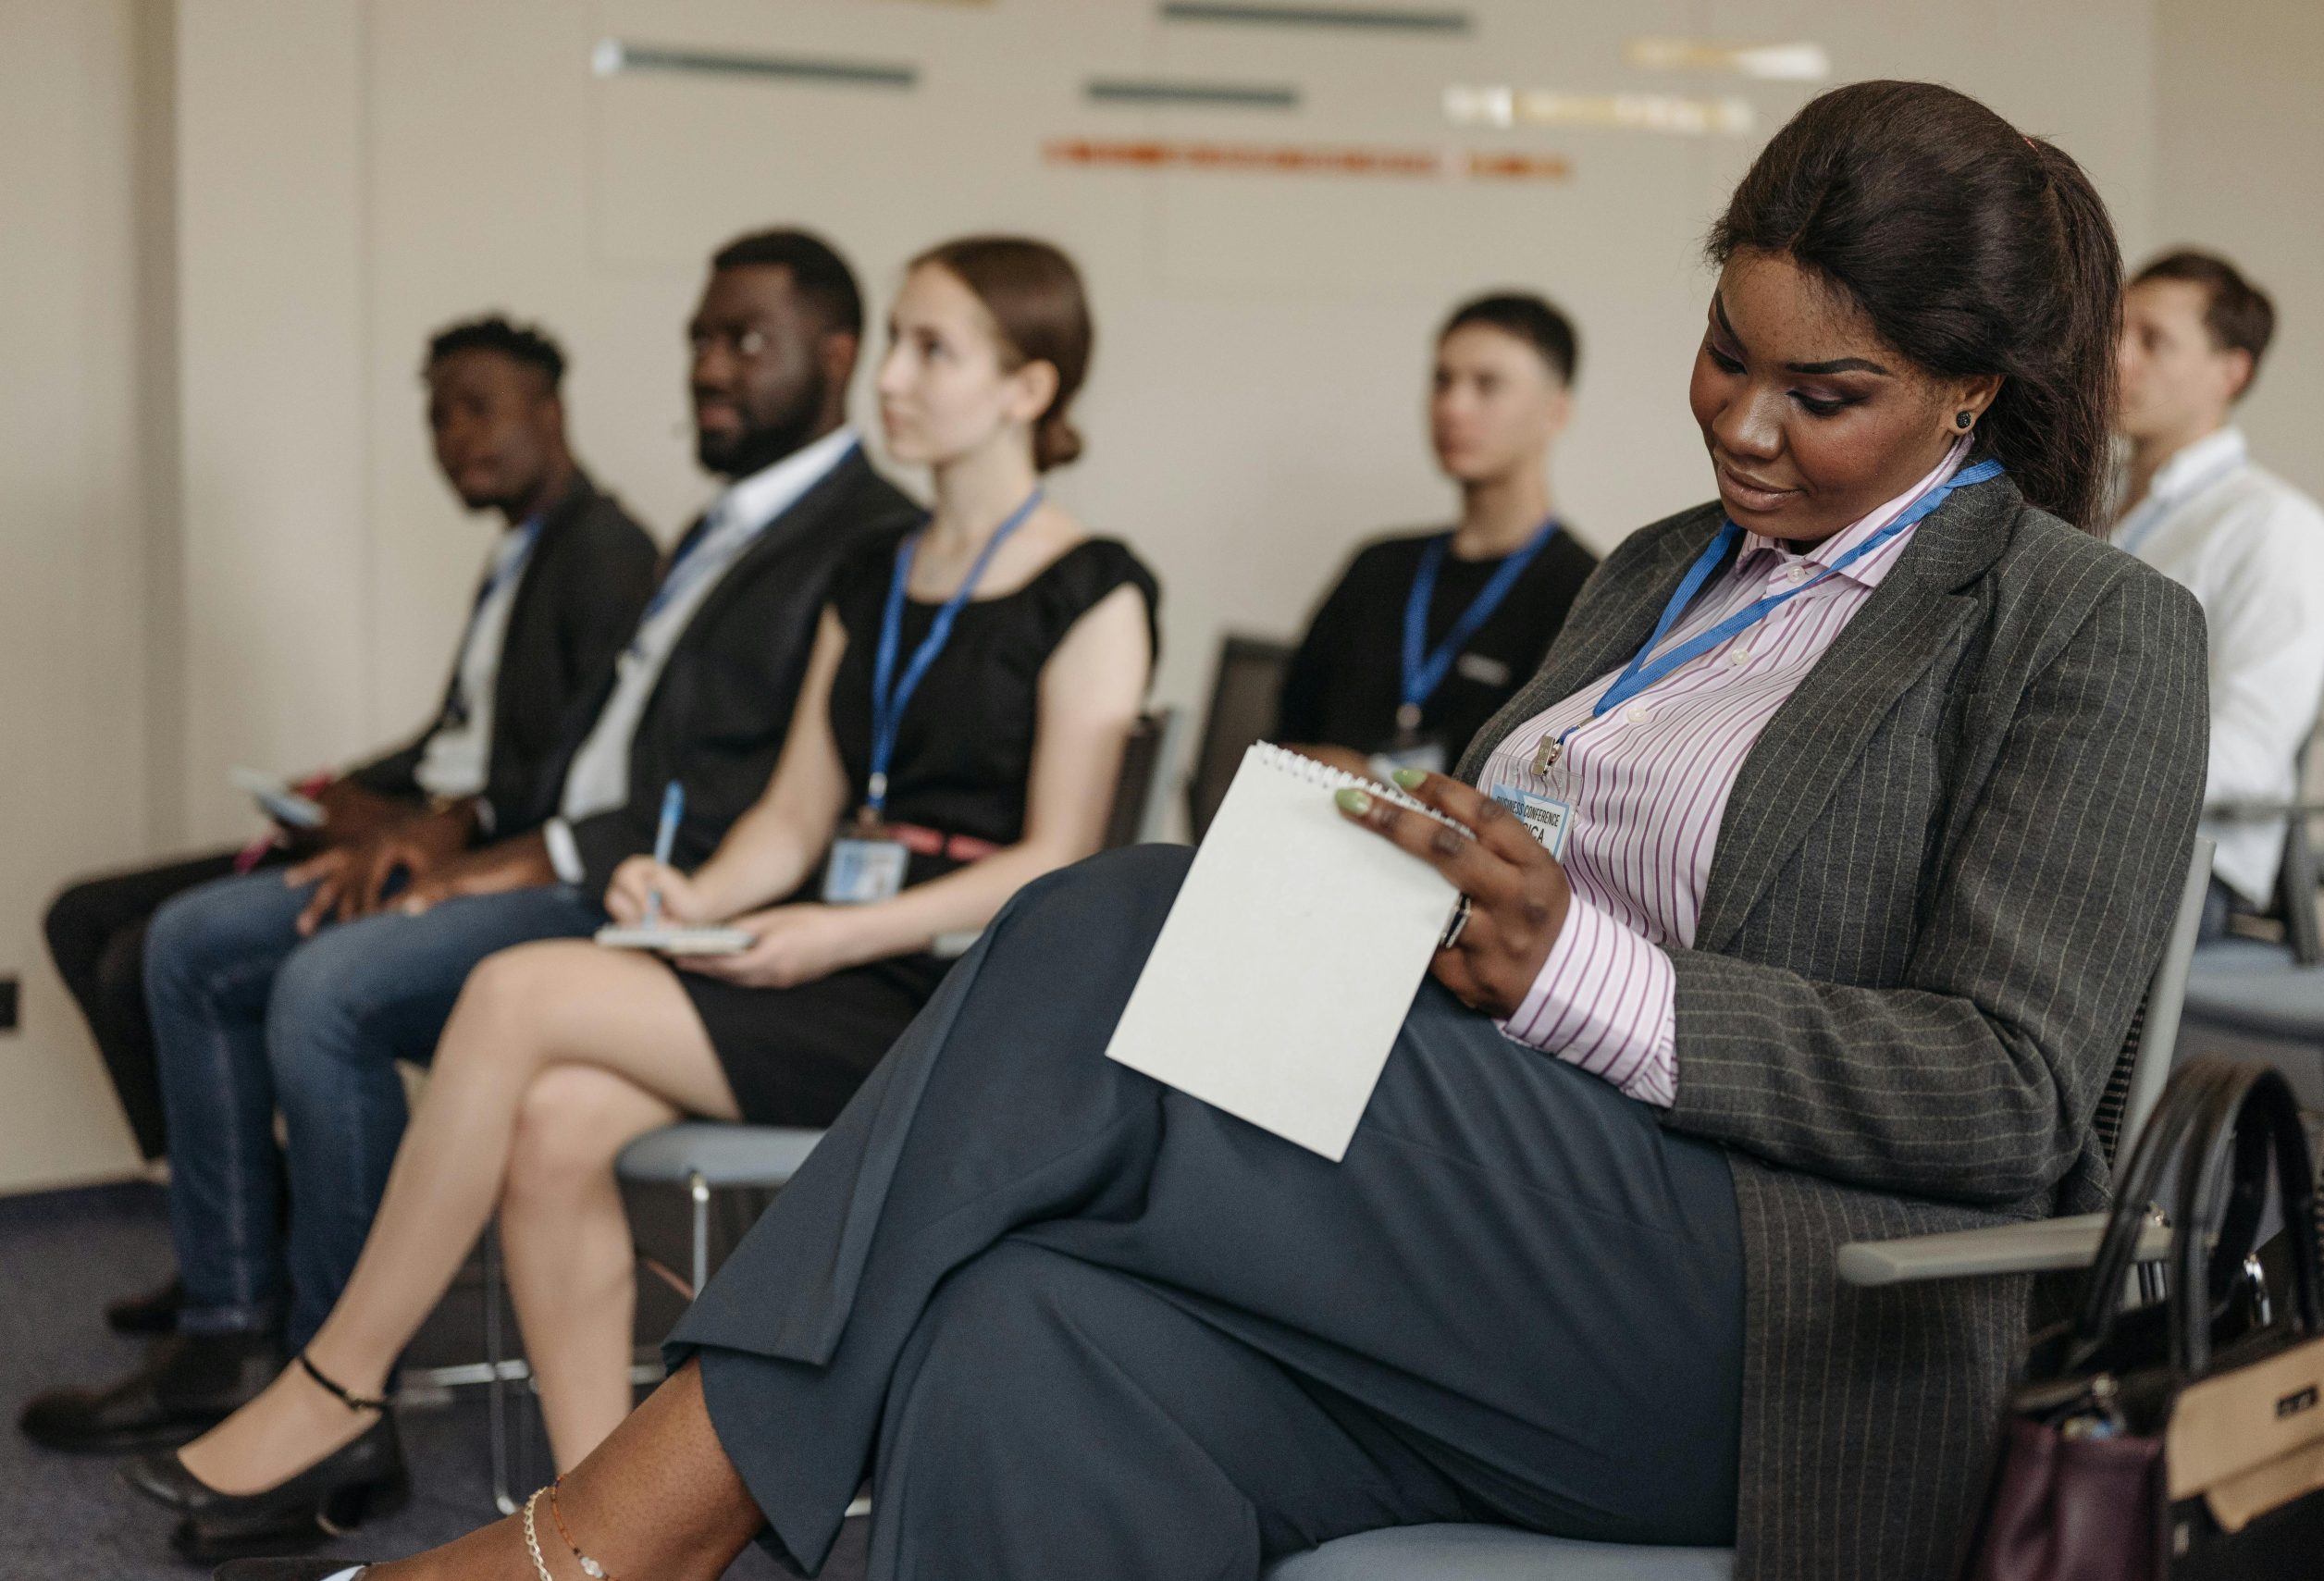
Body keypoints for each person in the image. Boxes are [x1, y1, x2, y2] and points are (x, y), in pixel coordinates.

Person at [215, 80, 2211, 1581]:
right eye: (1724, 353)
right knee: (1024, 1337)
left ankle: (615, 1529)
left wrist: (1580, 963)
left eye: (1827, 390)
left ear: (1968, 392)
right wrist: (1428, 855)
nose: (1746, 425)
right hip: (1480, 1219)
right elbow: (1534, 867)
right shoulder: (1665, 564)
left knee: (1105, 926)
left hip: (1761, 1308)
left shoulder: (2086, 627)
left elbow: (2014, 1096)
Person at [133, 235, 1159, 1564]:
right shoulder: (874, 576)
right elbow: (793, 818)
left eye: (931, 350)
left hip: (956, 993)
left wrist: (834, 933)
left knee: (508, 991)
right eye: (895, 339)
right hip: (823, 957)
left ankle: (338, 1386)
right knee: (555, 1122)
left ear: (1029, 386)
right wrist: (690, 892)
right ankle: (596, 1535)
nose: (893, 376)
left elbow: (1057, 860)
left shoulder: (1097, 586)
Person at [17, 229, 919, 1458]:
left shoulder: (859, 541)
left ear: (836, 355)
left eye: (743, 340)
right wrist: (443, 830)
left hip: (652, 892)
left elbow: (730, 794)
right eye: (700, 338)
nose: (708, 366)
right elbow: (570, 750)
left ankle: (331, 1388)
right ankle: (245, 1315)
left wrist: (500, 857)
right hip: (582, 853)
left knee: (319, 981)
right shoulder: (725, 527)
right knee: (188, 941)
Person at [35, 315, 655, 1330]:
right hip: (430, 817)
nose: (456, 438)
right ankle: (236, 1225)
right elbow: (460, 732)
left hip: (491, 855)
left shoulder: (606, 555)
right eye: (437, 418)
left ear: (548, 412)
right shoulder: (518, 554)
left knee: (166, 953)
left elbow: (580, 773)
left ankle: (237, 1289)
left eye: (478, 409)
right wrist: (343, 788)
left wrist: (432, 817)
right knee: (83, 918)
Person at [2112, 249, 2324, 936]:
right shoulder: (2094, 516)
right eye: (2115, 332)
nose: (2116, 357)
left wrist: (2079, 773)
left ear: (2232, 371)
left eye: (2152, 340)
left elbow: (2250, 754)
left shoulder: (2276, 527)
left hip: (2184, 866)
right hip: (2076, 834)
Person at [1277, 293, 1596, 778]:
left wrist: (1377, 786)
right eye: (1442, 381)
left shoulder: (1585, 592)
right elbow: (1285, 735)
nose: (1452, 406)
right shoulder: (1377, 567)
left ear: (1556, 411)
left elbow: (1543, 789)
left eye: (1487, 384)